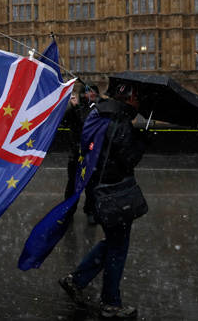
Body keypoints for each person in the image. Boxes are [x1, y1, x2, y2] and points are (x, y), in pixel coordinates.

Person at [59, 83, 148, 318]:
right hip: (115, 191)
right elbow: (128, 159)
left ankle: (77, 280)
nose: (140, 104)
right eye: (138, 98)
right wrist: (141, 141)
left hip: (98, 187)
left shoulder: (99, 113)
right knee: (118, 247)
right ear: (129, 98)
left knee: (113, 242)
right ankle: (110, 303)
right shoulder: (120, 122)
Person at [61, 82, 100, 224]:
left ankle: (90, 211)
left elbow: (85, 123)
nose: (92, 94)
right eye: (89, 91)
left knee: (91, 186)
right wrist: (72, 106)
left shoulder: (97, 109)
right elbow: (64, 122)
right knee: (72, 184)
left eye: (94, 91)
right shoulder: (75, 108)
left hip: (91, 153)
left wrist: (76, 108)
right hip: (76, 153)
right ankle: (68, 211)